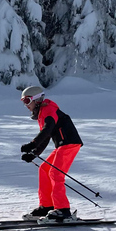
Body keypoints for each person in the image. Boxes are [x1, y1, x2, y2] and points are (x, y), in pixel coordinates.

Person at [19, 86, 83, 222]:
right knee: (44, 169)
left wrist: (32, 144)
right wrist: (34, 153)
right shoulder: (42, 113)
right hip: (62, 145)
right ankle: (47, 206)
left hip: (69, 144)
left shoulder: (48, 110)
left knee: (55, 173)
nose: (26, 105)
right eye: (23, 101)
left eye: (27, 101)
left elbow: (47, 131)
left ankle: (63, 210)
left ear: (36, 100)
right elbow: (46, 138)